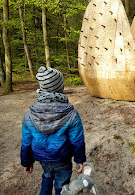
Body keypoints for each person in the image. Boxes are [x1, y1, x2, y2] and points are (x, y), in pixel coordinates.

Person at [20, 66, 86, 195]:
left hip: (42, 158)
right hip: (62, 158)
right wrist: (79, 160)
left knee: (47, 177)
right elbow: (77, 140)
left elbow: (26, 141)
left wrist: (26, 162)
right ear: (60, 88)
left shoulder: (29, 114)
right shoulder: (71, 113)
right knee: (62, 186)